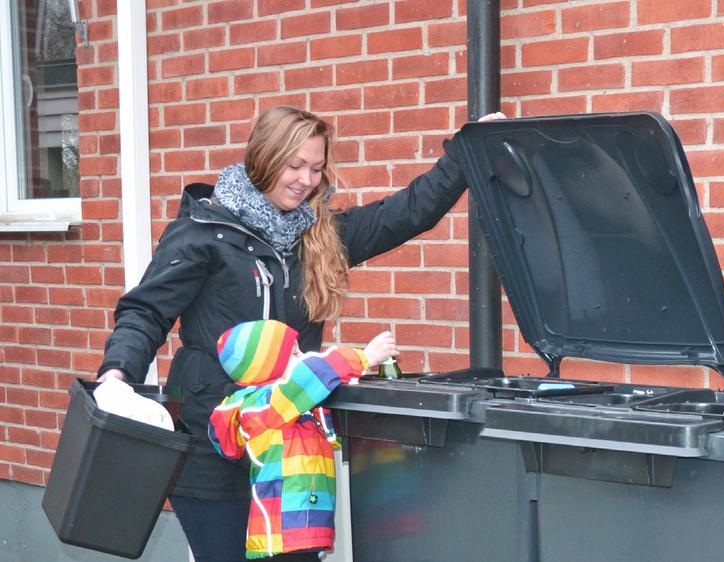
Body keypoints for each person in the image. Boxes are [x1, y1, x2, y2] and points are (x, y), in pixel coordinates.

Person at [97, 106, 505, 561]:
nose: (305, 179)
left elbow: (409, 212)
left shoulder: (320, 237)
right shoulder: (203, 233)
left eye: (315, 167)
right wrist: (116, 375)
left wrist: (466, 151)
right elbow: (147, 310)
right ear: (263, 159)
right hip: (213, 448)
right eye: (293, 165)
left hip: (292, 457)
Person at [208, 319, 397, 560]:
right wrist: (365, 357)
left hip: (300, 530)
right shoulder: (267, 404)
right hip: (282, 536)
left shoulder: (289, 405)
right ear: (269, 367)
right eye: (295, 352)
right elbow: (313, 374)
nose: (304, 355)